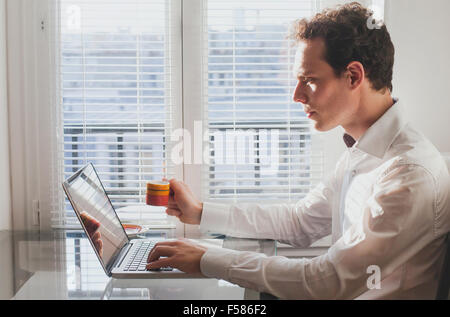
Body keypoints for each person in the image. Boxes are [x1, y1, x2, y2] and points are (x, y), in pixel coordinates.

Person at [146, 2, 450, 299]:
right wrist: (200, 213)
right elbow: (300, 221)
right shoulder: (365, 150)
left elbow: (328, 283)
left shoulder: (407, 173)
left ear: (354, 76)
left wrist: (206, 260)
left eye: (309, 80)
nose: (296, 95)